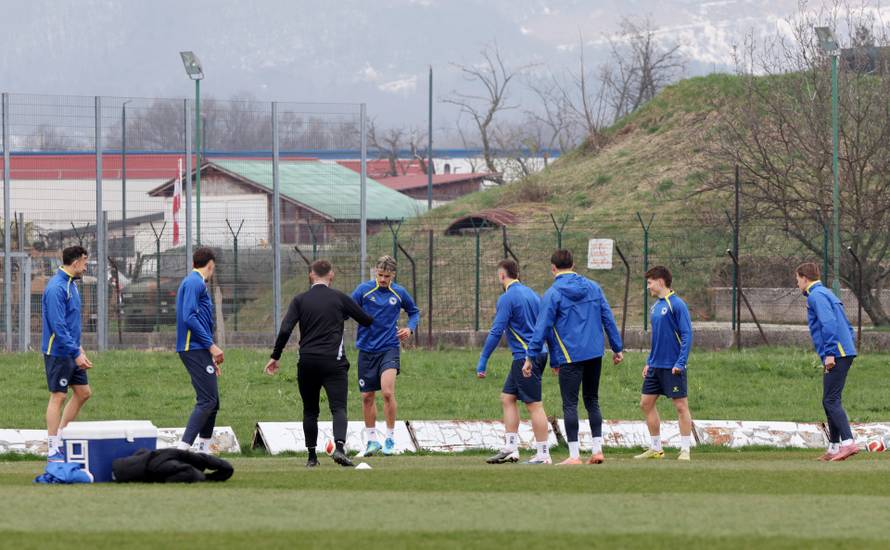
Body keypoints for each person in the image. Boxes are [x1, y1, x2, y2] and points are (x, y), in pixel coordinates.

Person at [265, 260, 373, 467]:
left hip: (307, 361)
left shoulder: (300, 300)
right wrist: (347, 313)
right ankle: (340, 448)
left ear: (310, 276)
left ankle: (312, 457)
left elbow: (286, 329)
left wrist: (275, 355)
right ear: (331, 275)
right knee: (338, 408)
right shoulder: (340, 298)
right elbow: (366, 320)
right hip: (334, 361)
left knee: (310, 410)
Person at [524, 249, 623, 465]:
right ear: (574, 264)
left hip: (571, 356)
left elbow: (542, 327)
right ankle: (597, 451)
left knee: (570, 403)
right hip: (595, 354)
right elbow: (608, 317)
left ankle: (574, 455)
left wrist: (530, 356)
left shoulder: (552, 294)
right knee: (592, 400)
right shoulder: (594, 287)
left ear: (553, 268)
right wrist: (617, 348)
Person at [477, 260, 552, 465]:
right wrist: (554, 356)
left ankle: (543, 453)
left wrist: (483, 359)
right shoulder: (534, 295)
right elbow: (547, 326)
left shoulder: (507, 298)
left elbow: (496, 331)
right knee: (507, 397)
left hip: (525, 357)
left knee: (534, 405)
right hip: (538, 354)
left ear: (502, 276)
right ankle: (510, 447)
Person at [351, 255, 420, 456]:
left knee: (387, 392)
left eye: (386, 276)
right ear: (375, 272)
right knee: (367, 396)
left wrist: (410, 328)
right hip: (366, 350)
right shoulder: (363, 290)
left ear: (393, 275)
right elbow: (346, 308)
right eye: (380, 275)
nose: (382, 279)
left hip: (389, 348)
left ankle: (390, 438)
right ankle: (372, 441)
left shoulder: (399, 293)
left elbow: (414, 312)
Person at [796, 262, 859, 462]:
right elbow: (847, 327)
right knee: (829, 400)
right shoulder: (826, 293)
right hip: (842, 351)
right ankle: (833, 448)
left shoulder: (816, 295)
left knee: (831, 400)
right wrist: (847, 347)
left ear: (805, 278)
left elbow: (829, 322)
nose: (797, 283)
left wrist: (831, 352)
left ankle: (848, 443)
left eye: (797, 279)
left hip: (837, 353)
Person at [634, 266, 694, 461]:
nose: (648, 287)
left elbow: (686, 335)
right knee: (646, 403)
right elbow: (657, 338)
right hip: (655, 366)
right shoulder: (655, 307)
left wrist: (681, 362)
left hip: (672, 366)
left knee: (680, 406)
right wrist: (649, 362)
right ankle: (656, 448)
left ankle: (685, 450)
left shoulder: (677, 304)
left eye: (650, 282)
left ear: (660, 282)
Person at [42, 245, 93, 462]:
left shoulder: (73, 285)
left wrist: (79, 348)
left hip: (72, 349)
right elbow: (58, 325)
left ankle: (61, 435)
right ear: (75, 262)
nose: (86, 266)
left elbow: (71, 322)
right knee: (59, 396)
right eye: (85, 262)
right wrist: (74, 352)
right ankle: (53, 448)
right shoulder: (56, 287)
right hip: (59, 352)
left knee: (83, 392)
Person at [174, 247, 225, 454]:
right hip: (193, 347)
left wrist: (208, 352)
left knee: (213, 401)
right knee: (207, 400)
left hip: (198, 349)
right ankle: (182, 450)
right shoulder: (195, 282)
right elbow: (189, 317)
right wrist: (211, 346)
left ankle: (204, 450)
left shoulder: (193, 282)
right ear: (210, 264)